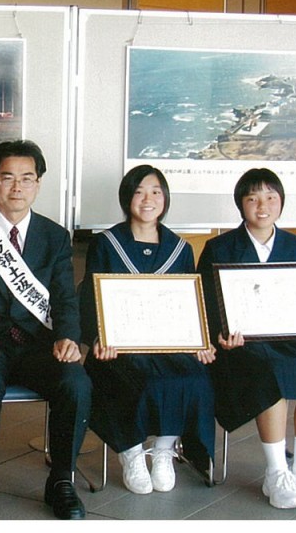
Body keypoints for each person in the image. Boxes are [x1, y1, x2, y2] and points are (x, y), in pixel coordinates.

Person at [0, 139, 92, 520]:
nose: (17, 187)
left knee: (76, 382)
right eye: (8, 178)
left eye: (27, 178)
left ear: (38, 183)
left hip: (40, 348)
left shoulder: (55, 237)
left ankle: (61, 480)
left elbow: (64, 299)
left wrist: (68, 339)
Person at [78, 165, 217, 496]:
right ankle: (131, 452)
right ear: (127, 197)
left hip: (167, 345)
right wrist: (98, 338)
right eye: (139, 191)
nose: (148, 198)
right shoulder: (106, 244)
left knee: (194, 377)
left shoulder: (180, 249)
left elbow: (188, 303)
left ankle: (165, 450)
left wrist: (199, 341)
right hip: (119, 347)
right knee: (132, 376)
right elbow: (90, 299)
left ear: (165, 198)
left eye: (156, 191)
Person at [197, 168, 296, 509]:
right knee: (270, 372)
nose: (262, 206)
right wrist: (220, 334)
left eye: (270, 198)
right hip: (240, 346)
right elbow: (205, 302)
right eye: (253, 198)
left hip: (288, 337)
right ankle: (276, 472)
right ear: (240, 204)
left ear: (280, 202)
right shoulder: (219, 247)